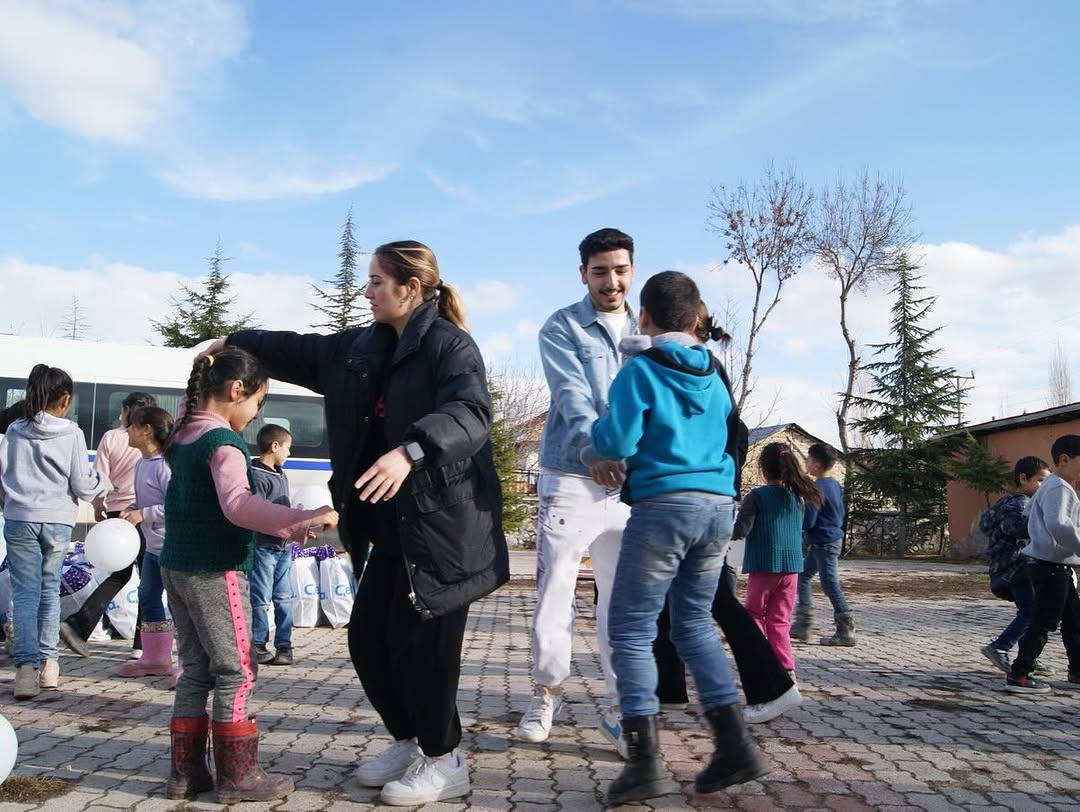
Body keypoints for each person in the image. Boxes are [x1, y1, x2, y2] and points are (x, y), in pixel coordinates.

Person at [216, 240, 510, 806]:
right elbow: (298, 351)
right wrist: (235, 342)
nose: (367, 290)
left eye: (377, 280)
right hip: (394, 531)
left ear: (412, 288)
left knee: (422, 648)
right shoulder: (362, 348)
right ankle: (410, 741)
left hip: (446, 530)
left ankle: (445, 758)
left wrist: (411, 452)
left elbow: (471, 415)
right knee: (369, 641)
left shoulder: (450, 347)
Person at [588, 271, 768, 805]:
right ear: (696, 321)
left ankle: (645, 764)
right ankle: (735, 746)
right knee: (693, 624)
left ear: (642, 318)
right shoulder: (714, 372)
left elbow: (615, 440)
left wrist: (597, 440)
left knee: (630, 627)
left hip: (663, 508)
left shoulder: (640, 370)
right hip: (717, 509)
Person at [159, 348, 339, 803]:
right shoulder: (224, 443)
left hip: (176, 566)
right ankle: (237, 777)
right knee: (237, 670)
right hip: (216, 569)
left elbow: (194, 398)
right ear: (237, 390)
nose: (256, 416)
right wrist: (303, 519)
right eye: (257, 403)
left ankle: (186, 774)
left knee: (196, 670)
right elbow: (237, 505)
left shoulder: (185, 431)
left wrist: (207, 360)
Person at [516, 227, 637, 754]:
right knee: (555, 595)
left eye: (620, 269)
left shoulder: (648, 328)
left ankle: (621, 707)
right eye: (600, 271)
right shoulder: (562, 326)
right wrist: (594, 452)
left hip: (634, 485)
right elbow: (572, 395)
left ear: (632, 270)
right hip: (571, 475)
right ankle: (547, 693)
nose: (611, 281)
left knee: (625, 603)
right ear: (583, 272)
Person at [651, 306, 800, 724]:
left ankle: (773, 686)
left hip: (696, 504)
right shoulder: (703, 366)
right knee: (672, 600)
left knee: (715, 601)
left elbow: (712, 438)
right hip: (700, 502)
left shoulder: (698, 368)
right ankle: (670, 689)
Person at [0, 365, 110, 699]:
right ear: (64, 398)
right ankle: (49, 667)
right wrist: (102, 484)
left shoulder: (15, 431)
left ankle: (25, 672)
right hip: (58, 520)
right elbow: (81, 482)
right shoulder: (72, 433)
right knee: (48, 591)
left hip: (19, 518)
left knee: (25, 594)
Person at [60, 391, 157, 658]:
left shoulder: (112, 437)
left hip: (116, 515)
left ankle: (78, 626)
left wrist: (98, 505)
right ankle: (141, 644)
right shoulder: (153, 439)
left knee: (119, 574)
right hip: (143, 514)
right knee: (149, 578)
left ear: (126, 410)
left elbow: (100, 476)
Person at [734, 442, 823, 684]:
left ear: (763, 468)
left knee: (753, 615)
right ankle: (786, 668)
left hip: (764, 566)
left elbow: (741, 530)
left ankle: (762, 665)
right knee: (780, 620)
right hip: (792, 568)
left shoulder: (757, 496)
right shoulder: (797, 497)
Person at [1005, 435, 1080, 694]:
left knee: (1074, 621)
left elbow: (1031, 515)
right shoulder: (1059, 488)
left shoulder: (1051, 487)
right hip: (1051, 566)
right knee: (1044, 622)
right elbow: (1060, 525)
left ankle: (1077, 671)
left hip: (1055, 565)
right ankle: (1020, 674)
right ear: (1065, 459)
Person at [114, 406, 176, 680]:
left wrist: (144, 513)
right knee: (147, 597)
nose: (126, 431)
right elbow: (147, 500)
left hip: (173, 548)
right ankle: (155, 658)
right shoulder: (141, 463)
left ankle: (188, 663)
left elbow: (177, 506)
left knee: (178, 604)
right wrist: (133, 507)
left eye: (131, 426)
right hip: (152, 548)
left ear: (146, 430)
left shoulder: (166, 465)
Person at [979, 456, 1051, 674]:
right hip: (1017, 567)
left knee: (1030, 612)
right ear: (1023, 478)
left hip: (1007, 568)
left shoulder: (1007, 501)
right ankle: (1000, 647)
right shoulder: (1020, 503)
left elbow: (987, 524)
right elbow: (1014, 528)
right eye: (1040, 480)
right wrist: (1043, 523)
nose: (1043, 487)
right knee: (1033, 612)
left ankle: (1027, 656)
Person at [793, 442, 855, 646]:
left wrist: (798, 528)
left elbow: (809, 520)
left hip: (824, 541)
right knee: (802, 576)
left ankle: (845, 632)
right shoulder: (835, 484)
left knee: (830, 584)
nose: (806, 463)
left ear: (817, 465)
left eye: (808, 460)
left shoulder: (816, 488)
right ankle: (803, 625)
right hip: (828, 539)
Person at [249, 423, 298, 667]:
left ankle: (284, 646)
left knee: (284, 598)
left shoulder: (281, 472)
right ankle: (257, 645)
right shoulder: (256, 475)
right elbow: (260, 514)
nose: (289, 454)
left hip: (284, 547)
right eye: (287, 448)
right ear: (275, 445)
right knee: (260, 598)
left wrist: (298, 528)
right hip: (264, 547)